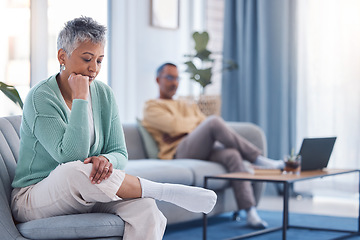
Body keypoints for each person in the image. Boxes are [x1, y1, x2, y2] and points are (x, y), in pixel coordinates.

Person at [11, 17, 217, 240]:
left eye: (99, 61)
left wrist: (106, 161)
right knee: (73, 170)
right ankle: (162, 190)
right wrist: (80, 98)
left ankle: (152, 195)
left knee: (146, 209)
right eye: (87, 59)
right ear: (63, 56)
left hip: (88, 190)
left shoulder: (104, 94)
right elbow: (70, 157)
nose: (93, 69)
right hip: (34, 197)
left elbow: (120, 152)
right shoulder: (40, 96)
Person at [142, 62, 285, 229]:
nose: (174, 82)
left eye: (177, 78)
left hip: (201, 147)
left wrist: (186, 128)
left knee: (232, 155)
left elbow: (191, 124)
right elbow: (176, 126)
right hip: (179, 152)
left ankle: (250, 211)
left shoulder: (184, 103)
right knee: (214, 122)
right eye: (169, 77)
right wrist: (192, 127)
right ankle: (258, 159)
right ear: (158, 79)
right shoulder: (151, 106)